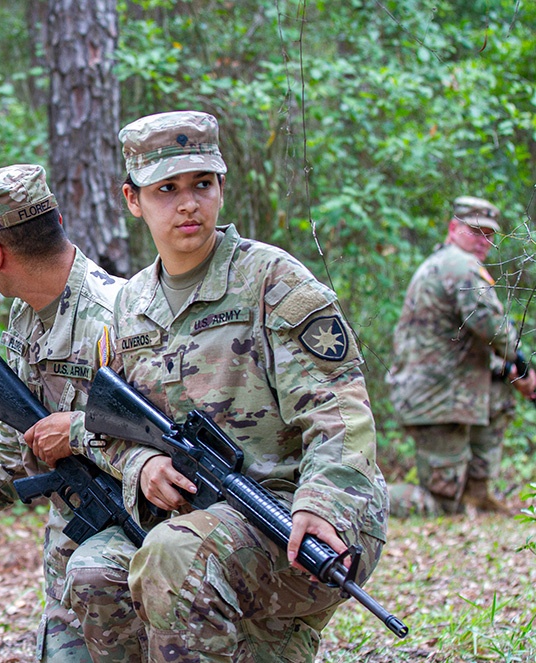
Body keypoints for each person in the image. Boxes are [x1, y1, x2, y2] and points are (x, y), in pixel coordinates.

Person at [105, 110, 390, 662]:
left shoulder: (273, 281)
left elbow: (342, 413)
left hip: (304, 518)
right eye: (166, 189)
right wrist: (140, 466)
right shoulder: (128, 306)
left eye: (202, 184)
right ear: (133, 199)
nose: (188, 203)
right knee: (95, 569)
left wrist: (323, 504)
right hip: (201, 516)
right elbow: (108, 425)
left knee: (173, 556)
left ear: (221, 187)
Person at [0, 164, 147, 661]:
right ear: (58, 220)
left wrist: (74, 433)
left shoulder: (118, 316)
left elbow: (154, 443)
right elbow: (20, 425)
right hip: (71, 543)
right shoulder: (28, 310)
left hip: (127, 555)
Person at [388, 195, 536, 516]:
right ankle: (359, 497)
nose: (484, 241)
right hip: (437, 399)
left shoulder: (446, 262)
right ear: (453, 228)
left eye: (490, 234)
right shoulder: (460, 263)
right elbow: (492, 327)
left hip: (441, 392)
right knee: (442, 505)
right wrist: (522, 366)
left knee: (500, 391)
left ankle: (477, 495)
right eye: (476, 231)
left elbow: (469, 340)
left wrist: (510, 369)